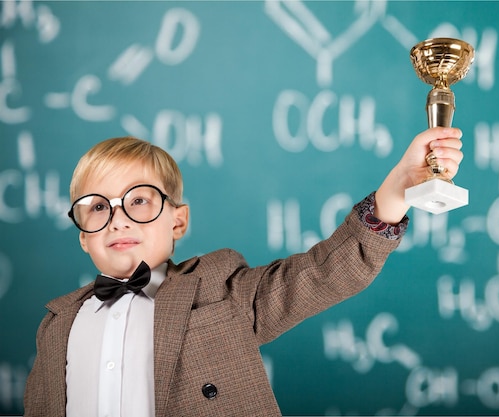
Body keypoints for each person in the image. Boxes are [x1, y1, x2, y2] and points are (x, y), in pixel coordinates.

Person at [23, 127, 464, 417]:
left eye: (138, 200)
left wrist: (394, 193)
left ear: (178, 221)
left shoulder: (219, 290)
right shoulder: (57, 324)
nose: (118, 220)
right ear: (82, 234)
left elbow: (320, 274)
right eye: (98, 206)